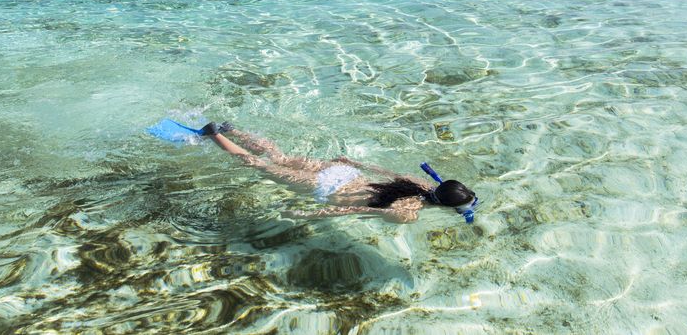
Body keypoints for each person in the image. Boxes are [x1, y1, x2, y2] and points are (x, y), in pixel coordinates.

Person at [197, 122, 479, 224]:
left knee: (278, 156)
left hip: (342, 173)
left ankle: (232, 129)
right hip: (327, 188)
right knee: (260, 166)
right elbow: (352, 212)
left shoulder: (420, 181)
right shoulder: (407, 214)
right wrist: (309, 215)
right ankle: (213, 135)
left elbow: (383, 171)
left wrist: (353, 162)